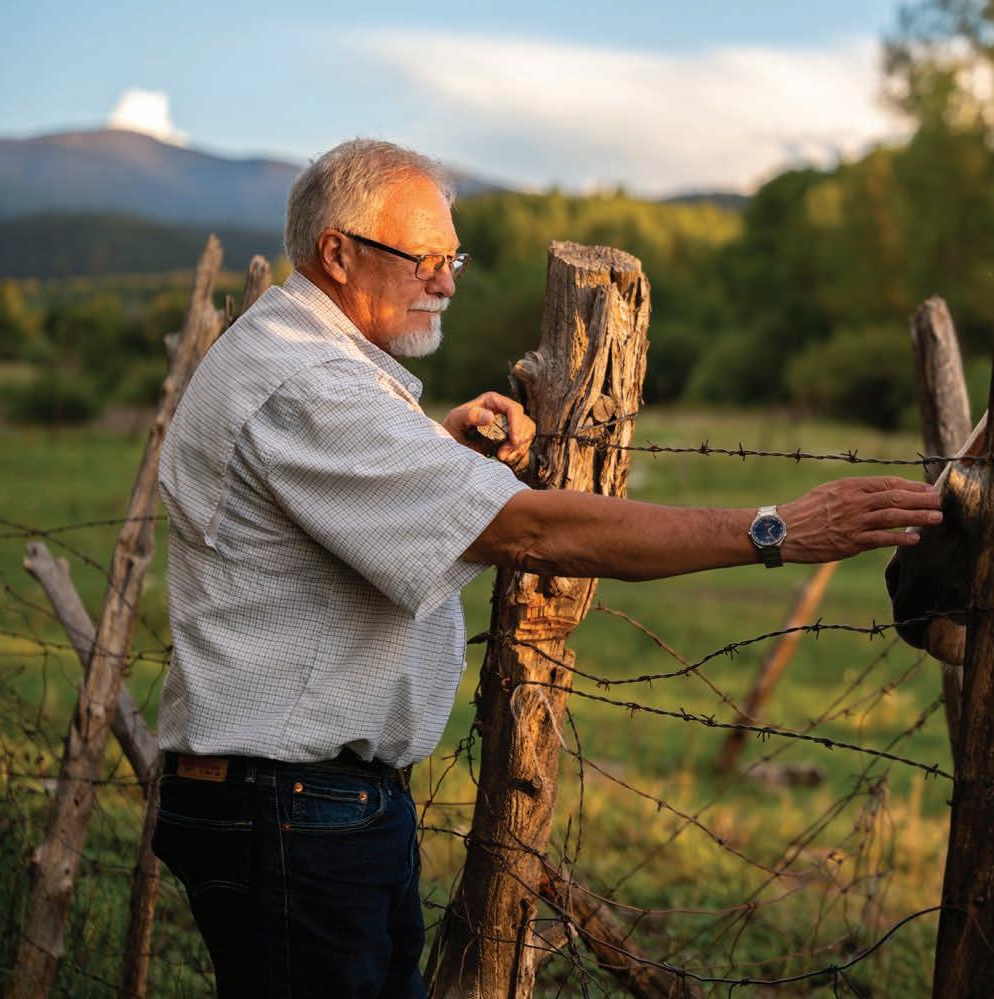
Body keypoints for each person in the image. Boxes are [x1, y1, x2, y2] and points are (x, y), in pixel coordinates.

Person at [151, 138, 942, 997]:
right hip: (291, 810)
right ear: (337, 253)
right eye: (423, 259)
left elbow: (321, 515)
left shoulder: (300, 359)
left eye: (453, 258)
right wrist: (773, 529)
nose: (446, 283)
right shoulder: (308, 382)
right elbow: (525, 531)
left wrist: (438, 451)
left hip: (307, 802)